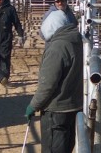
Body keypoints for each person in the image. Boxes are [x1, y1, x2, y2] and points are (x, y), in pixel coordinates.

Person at [25, 10, 83, 153]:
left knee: (53, 148)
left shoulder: (57, 48)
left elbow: (47, 84)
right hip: (74, 105)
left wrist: (33, 105)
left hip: (56, 108)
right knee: (66, 146)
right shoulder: (77, 41)